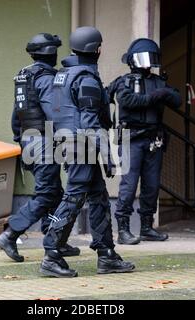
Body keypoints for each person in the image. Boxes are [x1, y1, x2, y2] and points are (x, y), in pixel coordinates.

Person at [40, 26, 135, 278]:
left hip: (71, 144)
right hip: (82, 146)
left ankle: (106, 255)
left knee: (99, 198)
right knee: (72, 199)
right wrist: (107, 156)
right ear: (97, 49)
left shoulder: (65, 74)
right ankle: (51, 254)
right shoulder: (87, 79)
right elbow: (91, 122)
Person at [0, 33, 80, 262]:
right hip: (43, 141)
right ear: (51, 53)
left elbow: (17, 113)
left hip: (28, 140)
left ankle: (56, 241)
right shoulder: (45, 78)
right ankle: (10, 235)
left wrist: (20, 138)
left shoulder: (24, 76)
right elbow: (54, 111)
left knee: (55, 193)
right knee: (48, 193)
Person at [108, 38, 181, 245]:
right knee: (129, 185)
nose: (147, 63)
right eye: (143, 59)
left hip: (153, 139)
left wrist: (164, 92)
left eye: (150, 59)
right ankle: (122, 230)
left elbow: (177, 100)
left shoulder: (159, 82)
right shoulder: (125, 81)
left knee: (152, 185)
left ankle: (147, 227)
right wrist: (156, 97)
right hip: (131, 139)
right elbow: (128, 101)